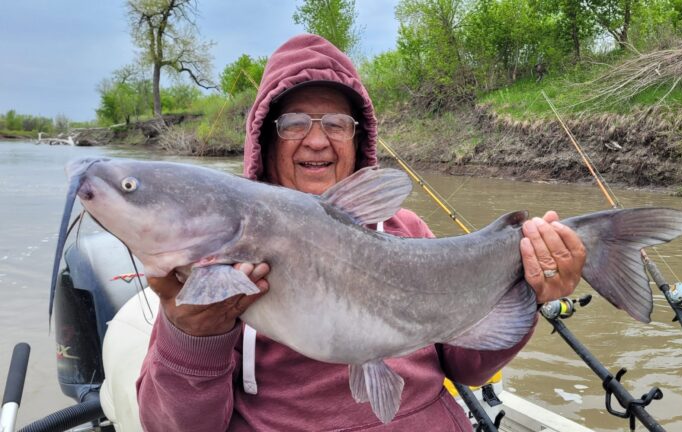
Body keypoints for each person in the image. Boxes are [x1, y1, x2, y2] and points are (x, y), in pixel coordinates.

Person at [137, 34, 586, 431]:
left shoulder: (407, 231)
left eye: (336, 124)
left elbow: (467, 367)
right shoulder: (221, 252)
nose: (317, 140)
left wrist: (531, 290)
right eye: (294, 123)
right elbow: (172, 426)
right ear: (266, 142)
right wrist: (191, 336)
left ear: (358, 140)